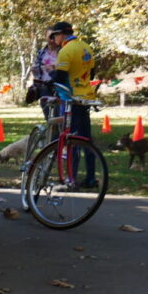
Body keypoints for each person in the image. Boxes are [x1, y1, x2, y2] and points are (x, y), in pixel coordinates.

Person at [49, 21, 101, 186]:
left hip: (70, 100)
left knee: (71, 141)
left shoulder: (65, 51)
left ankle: (71, 178)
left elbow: (60, 77)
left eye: (54, 35)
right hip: (86, 98)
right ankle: (91, 178)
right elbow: (91, 74)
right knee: (87, 140)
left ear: (61, 34)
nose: (53, 39)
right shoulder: (86, 47)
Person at [30, 23, 68, 119]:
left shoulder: (63, 51)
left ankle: (59, 132)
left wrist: (54, 68)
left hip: (58, 86)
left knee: (60, 114)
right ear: (45, 37)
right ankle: (51, 132)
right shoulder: (41, 52)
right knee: (47, 113)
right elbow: (36, 66)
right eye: (49, 36)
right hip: (44, 86)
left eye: (53, 36)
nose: (52, 39)